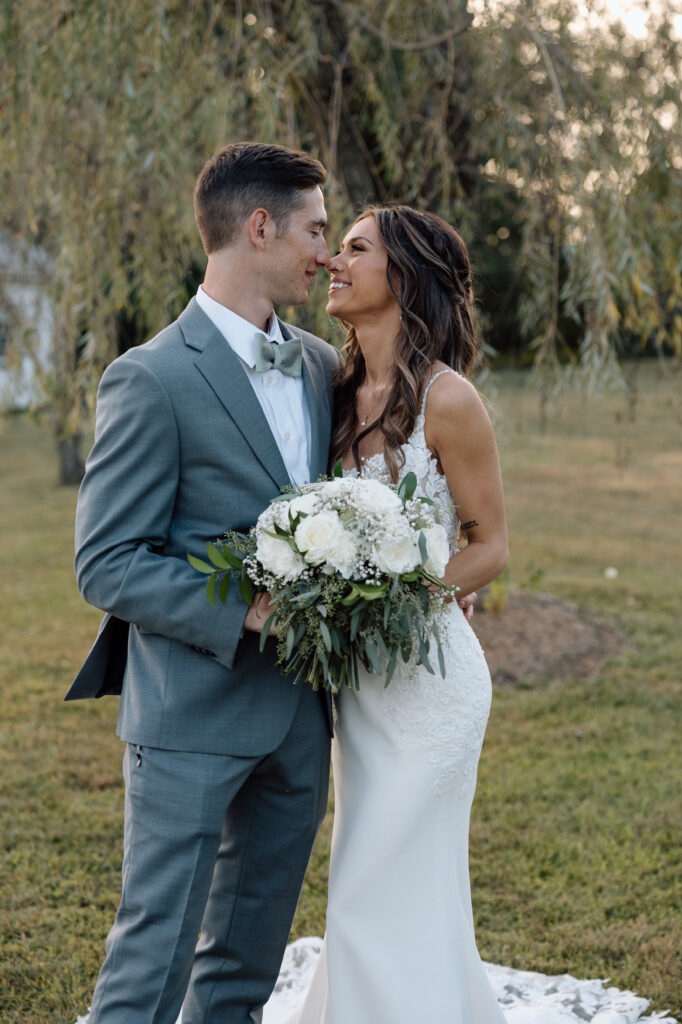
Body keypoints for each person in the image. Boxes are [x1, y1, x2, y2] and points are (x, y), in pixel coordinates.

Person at [66, 142, 340, 1024]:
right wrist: (251, 608)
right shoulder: (150, 377)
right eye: (315, 229)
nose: (326, 252)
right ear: (258, 228)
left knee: (243, 969)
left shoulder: (322, 367)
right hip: (189, 714)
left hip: (299, 717)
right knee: (152, 962)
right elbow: (106, 561)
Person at [270, 205, 509, 1023]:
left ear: (401, 277)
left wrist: (407, 597)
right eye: (334, 247)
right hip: (359, 686)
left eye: (354, 249)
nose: (332, 261)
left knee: (390, 873)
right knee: (362, 870)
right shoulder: (331, 396)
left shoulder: (449, 400)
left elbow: (489, 544)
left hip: (431, 683)